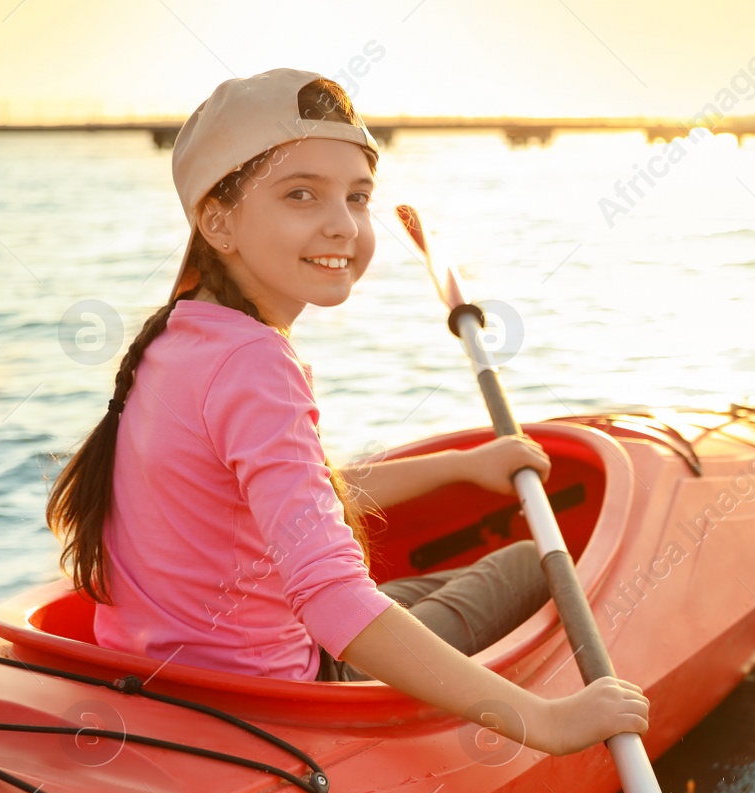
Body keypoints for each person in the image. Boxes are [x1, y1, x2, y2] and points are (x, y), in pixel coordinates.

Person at [45, 69, 646, 756]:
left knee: (425, 589)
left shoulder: (179, 338)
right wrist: (546, 720)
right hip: (276, 691)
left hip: (172, 675)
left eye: (358, 198)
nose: (342, 224)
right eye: (301, 194)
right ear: (217, 220)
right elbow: (331, 602)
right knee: (530, 565)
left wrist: (460, 466)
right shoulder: (256, 364)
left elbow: (301, 497)